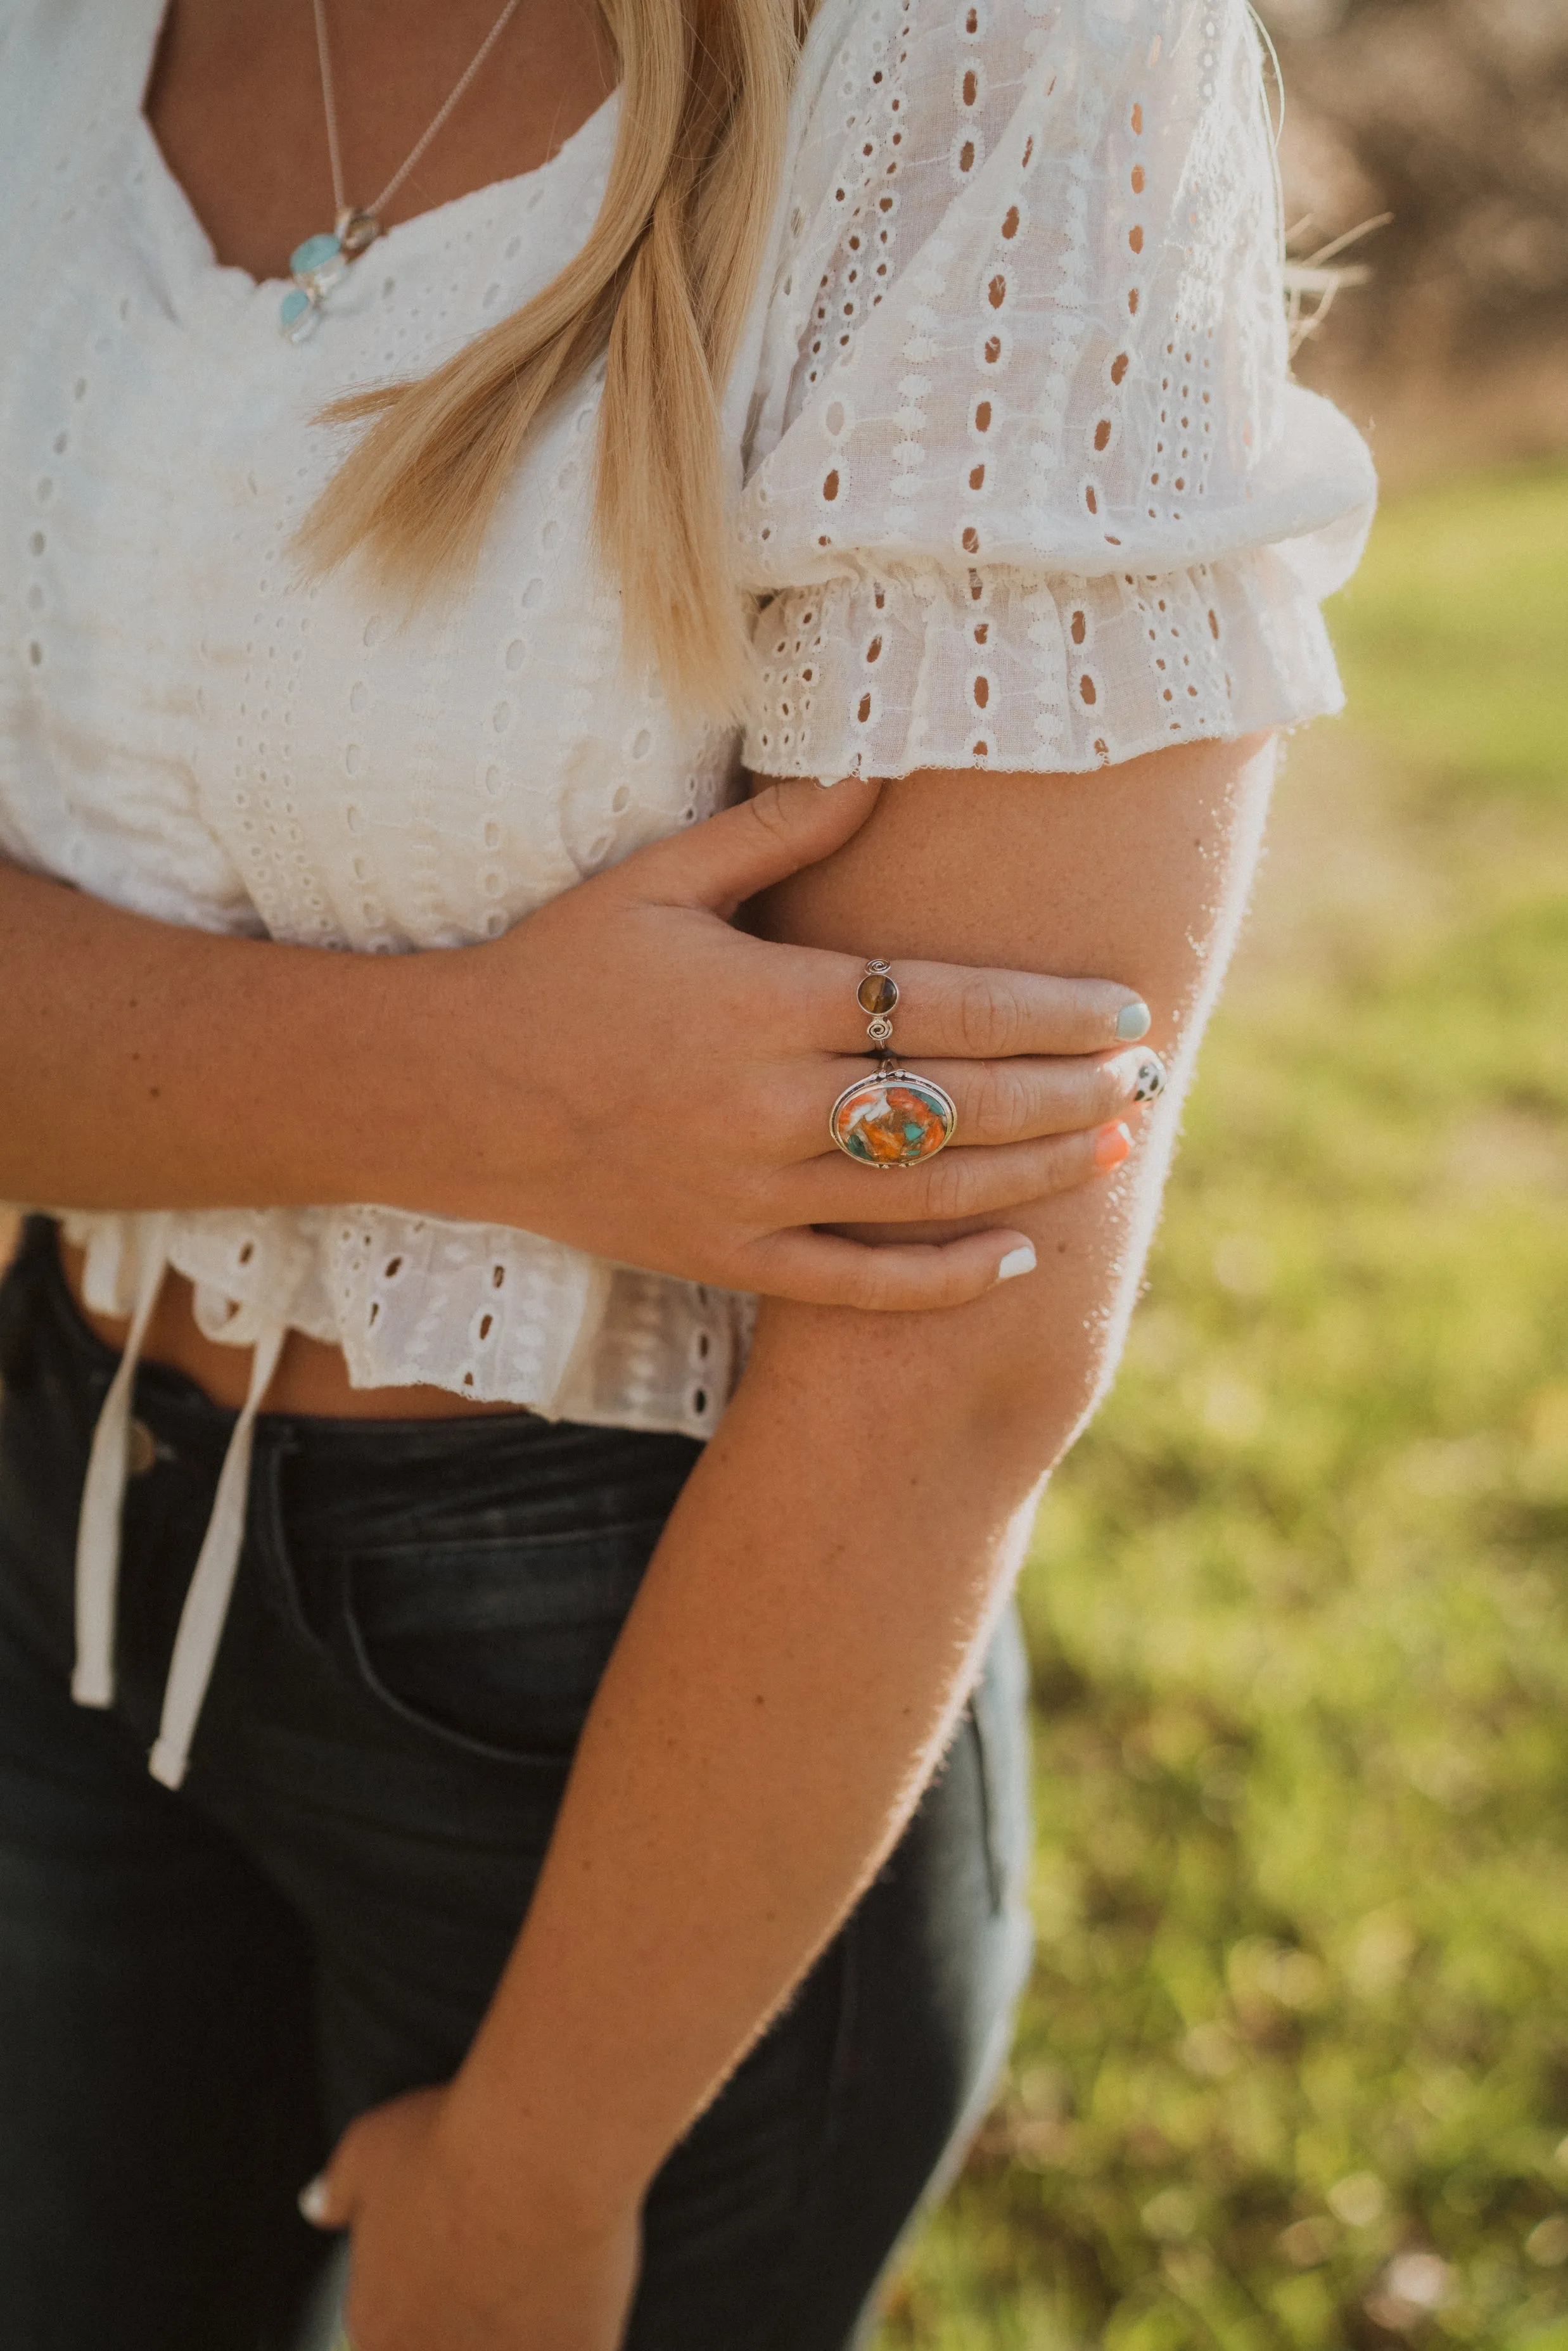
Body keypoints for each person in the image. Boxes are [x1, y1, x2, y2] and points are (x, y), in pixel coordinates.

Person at [0, 0, 1375, 2345]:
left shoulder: (999, 60)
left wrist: (544, 2172)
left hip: (643, 1680)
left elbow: (953, 1323)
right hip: (62, 1521)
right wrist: (486, 1086)